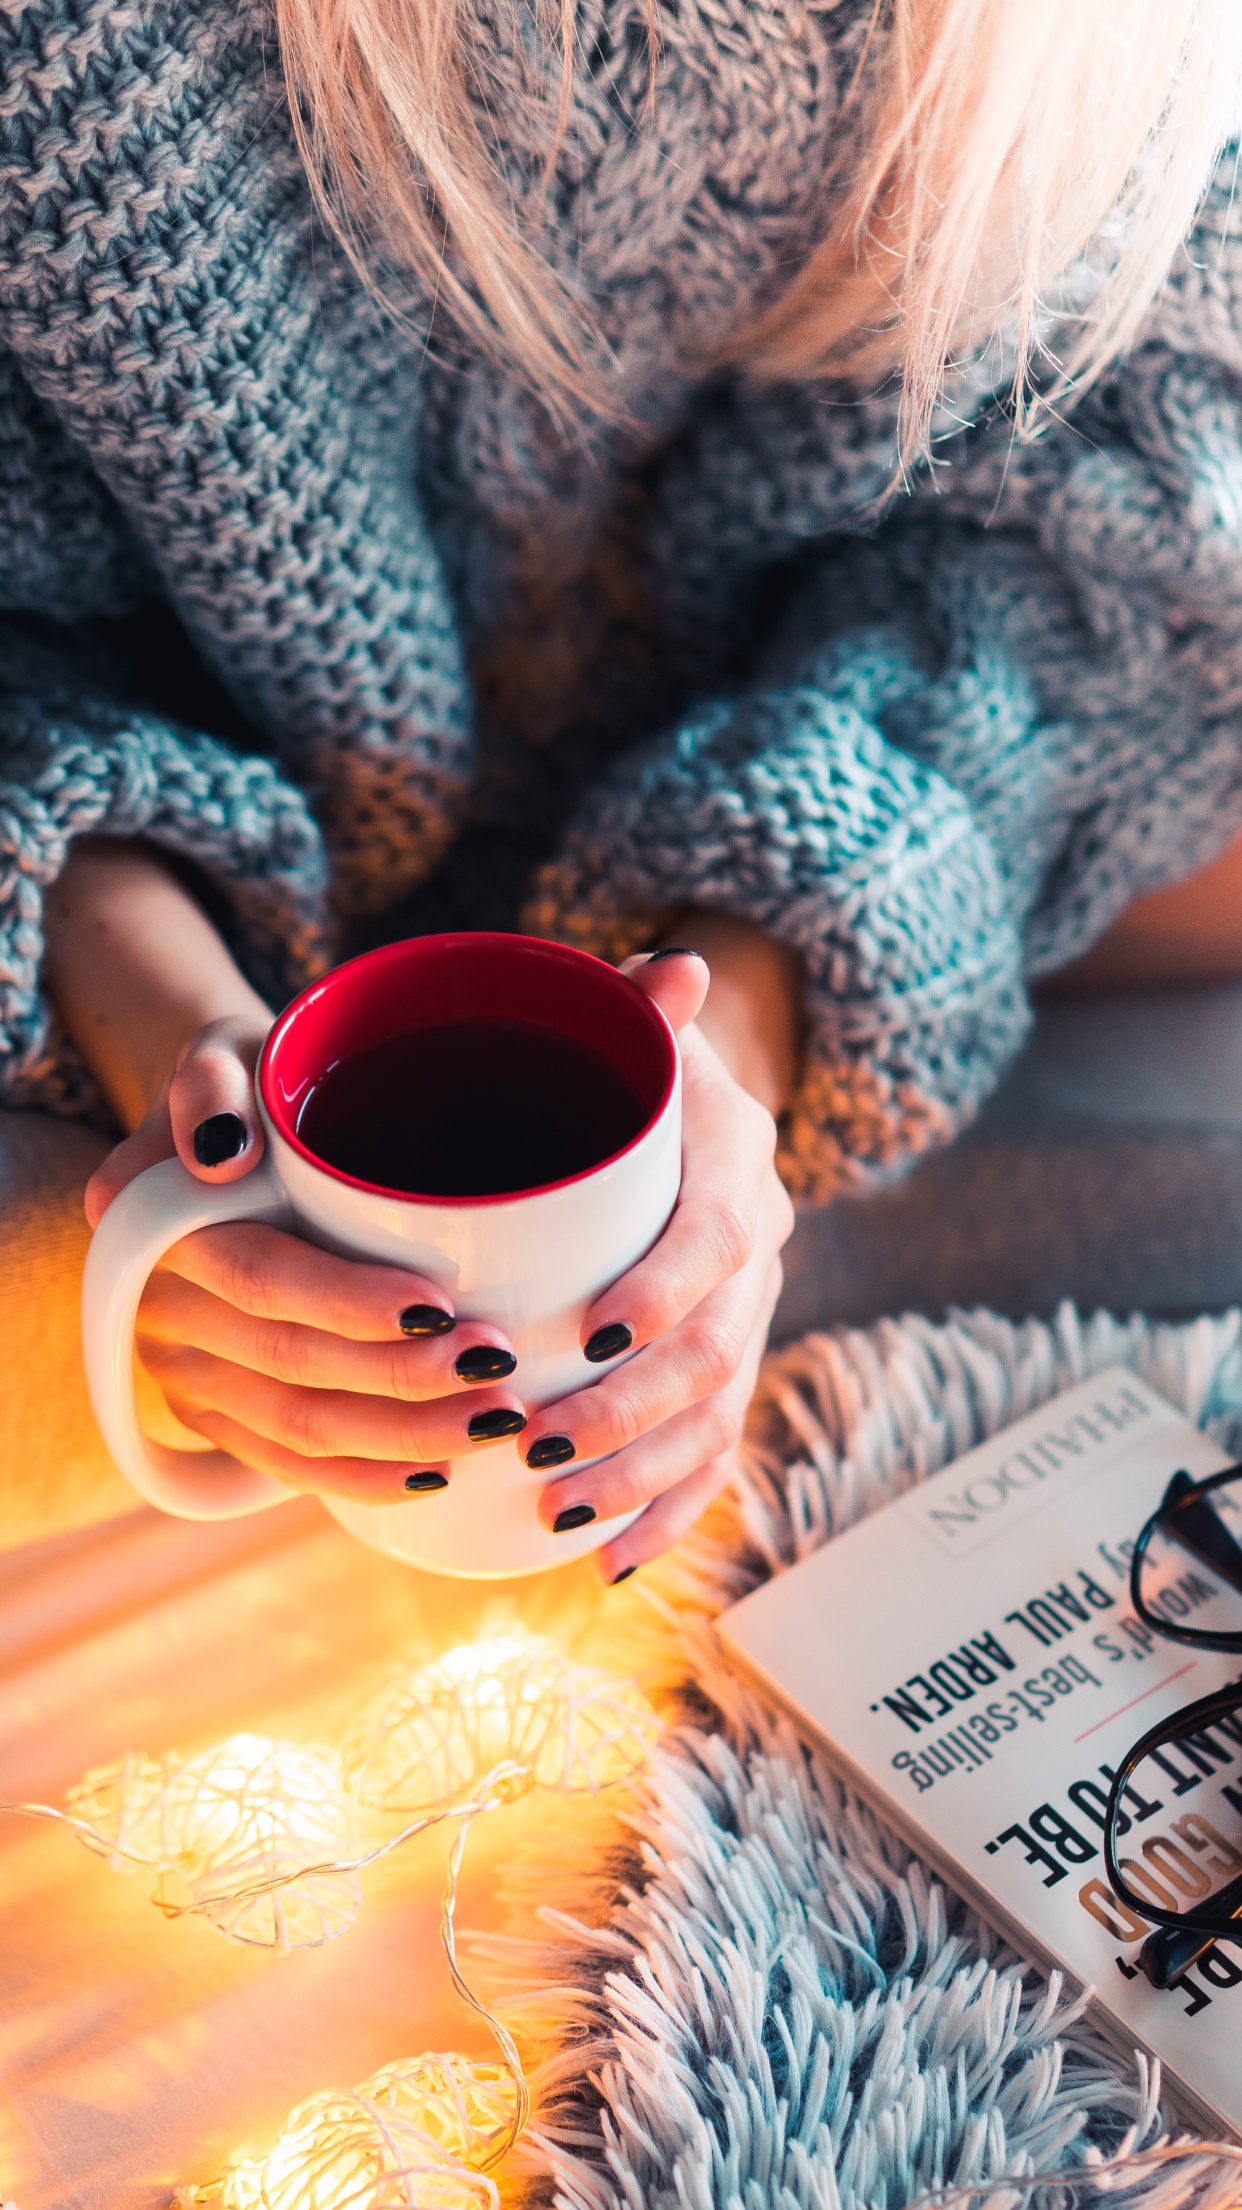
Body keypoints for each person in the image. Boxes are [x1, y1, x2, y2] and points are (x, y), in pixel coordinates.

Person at [3, 0, 1242, 1570]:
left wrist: (733, 1034)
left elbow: (1116, 540)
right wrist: (177, 1049)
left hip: (830, 782)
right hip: (114, 876)